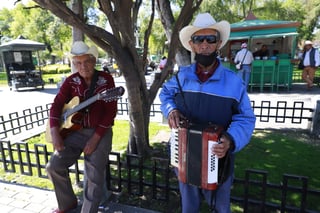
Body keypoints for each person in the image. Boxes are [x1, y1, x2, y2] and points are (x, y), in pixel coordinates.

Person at [159, 13, 256, 213]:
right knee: (189, 207)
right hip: (184, 155)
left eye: (210, 39)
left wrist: (230, 139)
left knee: (220, 208)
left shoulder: (234, 82)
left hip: (220, 158)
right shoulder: (180, 78)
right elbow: (165, 95)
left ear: (218, 43)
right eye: (198, 39)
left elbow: (246, 118)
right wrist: (171, 109)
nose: (204, 44)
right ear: (192, 45)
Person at [46, 41, 118, 213]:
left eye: (86, 61)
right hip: (75, 131)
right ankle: (67, 203)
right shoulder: (71, 81)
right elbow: (57, 105)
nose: (83, 66)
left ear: (93, 61)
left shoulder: (106, 80)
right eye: (78, 62)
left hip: (100, 131)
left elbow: (110, 112)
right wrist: (55, 131)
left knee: (93, 176)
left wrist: (95, 138)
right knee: (54, 166)